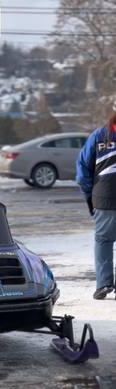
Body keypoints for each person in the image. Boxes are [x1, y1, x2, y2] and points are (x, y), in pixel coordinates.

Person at [76, 105, 116, 300]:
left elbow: (83, 171)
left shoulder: (99, 136)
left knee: (103, 241)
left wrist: (89, 196)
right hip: (104, 197)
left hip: (104, 197)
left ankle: (104, 284)